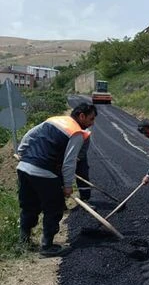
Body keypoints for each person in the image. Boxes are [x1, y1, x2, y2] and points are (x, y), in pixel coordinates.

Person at [16, 103, 97, 256]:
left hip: (24, 167)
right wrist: (67, 185)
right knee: (53, 208)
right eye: (91, 119)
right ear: (81, 116)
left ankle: (24, 240)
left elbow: (29, 135)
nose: (92, 123)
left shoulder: (54, 120)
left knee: (29, 205)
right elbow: (69, 162)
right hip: (45, 172)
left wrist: (21, 152)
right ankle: (47, 247)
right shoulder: (76, 133)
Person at [75, 133, 92, 206]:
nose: (92, 123)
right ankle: (61, 204)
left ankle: (84, 198)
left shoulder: (85, 134)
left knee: (83, 175)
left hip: (79, 156)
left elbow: (83, 150)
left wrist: (77, 158)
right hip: (63, 155)